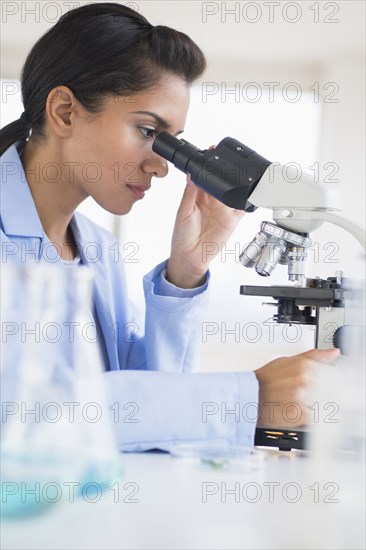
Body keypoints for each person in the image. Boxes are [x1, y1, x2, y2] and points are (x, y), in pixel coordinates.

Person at [0, 3, 339, 452]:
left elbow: (142, 406)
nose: (160, 165)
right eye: (146, 131)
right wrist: (244, 398)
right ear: (64, 111)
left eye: (169, 141)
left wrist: (186, 272)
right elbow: (24, 414)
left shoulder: (96, 247)